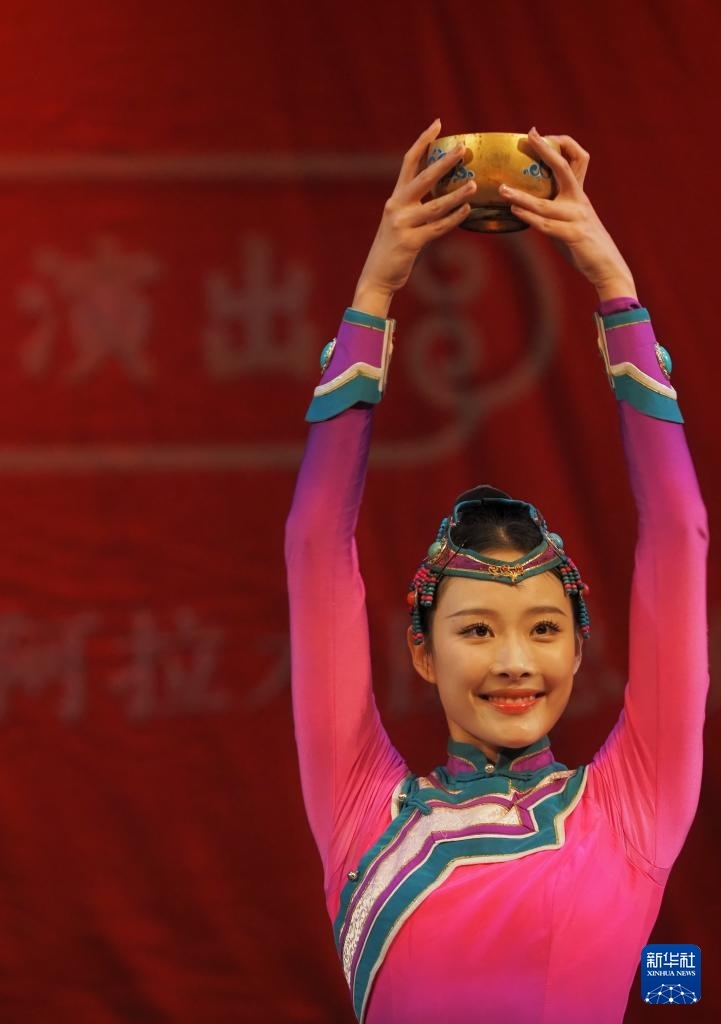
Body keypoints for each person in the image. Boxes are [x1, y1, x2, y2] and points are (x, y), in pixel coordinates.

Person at [285, 122, 708, 1024]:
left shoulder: (630, 809)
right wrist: (373, 294)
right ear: (422, 651)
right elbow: (314, 547)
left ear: (579, 648)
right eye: (476, 629)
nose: (514, 660)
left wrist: (615, 289)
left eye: (543, 629)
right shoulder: (364, 812)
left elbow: (679, 537)